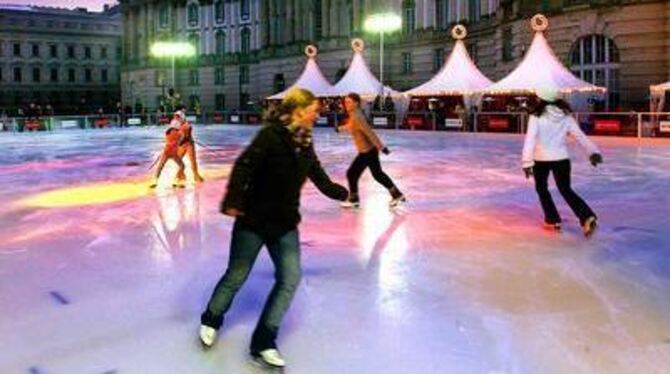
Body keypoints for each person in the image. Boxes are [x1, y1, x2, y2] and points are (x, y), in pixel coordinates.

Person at [199, 88, 348, 368]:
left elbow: (317, 175)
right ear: (299, 110)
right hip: (253, 220)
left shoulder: (305, 142)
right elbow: (244, 165)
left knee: (289, 278)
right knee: (237, 274)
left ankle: (264, 340)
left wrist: (343, 193)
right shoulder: (270, 136)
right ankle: (211, 319)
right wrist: (232, 200)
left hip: (284, 223)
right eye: (314, 109)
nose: (318, 113)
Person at [522, 88, 603, 236]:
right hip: (561, 159)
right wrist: (593, 151)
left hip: (541, 159)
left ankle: (552, 220)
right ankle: (586, 216)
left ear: (540, 99)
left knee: (542, 189)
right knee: (566, 189)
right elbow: (579, 135)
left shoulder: (536, 116)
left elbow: (530, 139)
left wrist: (527, 162)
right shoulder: (565, 116)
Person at [337, 92, 405, 208]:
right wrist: (340, 129)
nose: (346, 104)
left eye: (349, 102)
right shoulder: (354, 115)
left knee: (353, 173)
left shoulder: (357, 116)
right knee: (375, 174)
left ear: (356, 103)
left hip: (367, 152)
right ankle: (396, 194)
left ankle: (354, 199)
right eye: (345, 102)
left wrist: (381, 147)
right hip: (367, 151)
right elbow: (351, 126)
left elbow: (369, 133)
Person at [172, 106, 205, 183]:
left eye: (178, 117)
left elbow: (184, 136)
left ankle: (195, 175)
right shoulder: (177, 125)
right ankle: (180, 174)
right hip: (182, 145)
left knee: (192, 160)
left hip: (189, 144)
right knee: (179, 160)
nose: (176, 119)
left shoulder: (186, 125)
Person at [149, 124, 186, 188]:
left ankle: (155, 182)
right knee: (182, 166)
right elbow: (181, 139)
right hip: (172, 153)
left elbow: (176, 141)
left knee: (160, 167)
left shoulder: (167, 132)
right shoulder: (178, 133)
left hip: (167, 152)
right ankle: (176, 181)